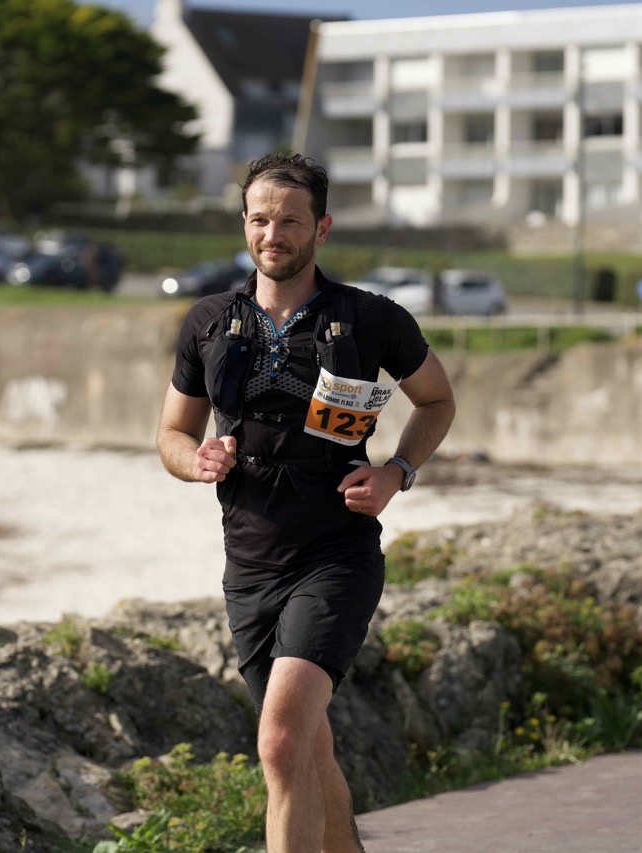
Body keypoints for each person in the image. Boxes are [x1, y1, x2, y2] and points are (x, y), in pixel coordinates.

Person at [156, 152, 455, 851]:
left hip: (336, 554)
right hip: (250, 562)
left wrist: (397, 471)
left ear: (321, 227)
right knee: (309, 750)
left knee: (280, 739)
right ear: (244, 223)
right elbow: (171, 433)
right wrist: (196, 461)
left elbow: (437, 401)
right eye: (260, 219)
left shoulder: (371, 318)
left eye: (291, 221)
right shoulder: (208, 321)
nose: (273, 234)